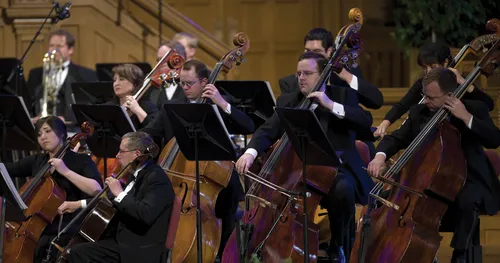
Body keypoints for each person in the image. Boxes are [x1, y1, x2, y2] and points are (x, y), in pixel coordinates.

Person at [236, 51, 373, 262]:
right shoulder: (289, 100)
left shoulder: (343, 96)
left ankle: (338, 245)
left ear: (324, 76)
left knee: (343, 190)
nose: (301, 78)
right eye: (299, 73)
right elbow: (267, 130)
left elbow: (364, 121)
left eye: (307, 73)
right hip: (298, 171)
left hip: (335, 170)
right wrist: (249, 153)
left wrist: (329, 105)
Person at [367, 67, 500, 263]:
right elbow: (396, 138)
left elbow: (494, 139)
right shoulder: (418, 112)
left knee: (467, 201)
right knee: (384, 201)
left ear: (449, 95)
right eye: (424, 96)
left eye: (431, 98)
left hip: (467, 178)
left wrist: (465, 117)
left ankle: (460, 255)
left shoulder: (474, 109)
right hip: (429, 181)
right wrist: (379, 156)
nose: (426, 101)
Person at [141, 59, 255, 259]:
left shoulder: (219, 101)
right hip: (179, 178)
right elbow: (150, 131)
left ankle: (224, 254)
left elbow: (248, 126)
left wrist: (221, 103)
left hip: (217, 180)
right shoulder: (172, 107)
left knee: (226, 202)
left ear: (204, 82)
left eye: (188, 83)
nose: (184, 88)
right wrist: (134, 141)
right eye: (181, 83)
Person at [4, 116, 103, 263]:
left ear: (62, 133)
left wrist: (66, 171)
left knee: (41, 246)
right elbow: (7, 169)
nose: (42, 137)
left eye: (47, 131)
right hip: (38, 225)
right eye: (39, 134)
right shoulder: (38, 160)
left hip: (66, 224)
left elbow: (97, 190)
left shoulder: (80, 160)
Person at [68, 131, 175, 263]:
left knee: (79, 253)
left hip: (138, 249)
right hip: (121, 242)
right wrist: (79, 204)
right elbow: (112, 203)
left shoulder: (156, 178)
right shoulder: (135, 173)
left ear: (136, 154)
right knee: (78, 249)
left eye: (121, 151)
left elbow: (145, 214)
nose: (117, 156)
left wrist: (120, 193)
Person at [374, 42, 494, 139]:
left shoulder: (460, 84)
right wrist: (385, 122)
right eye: (425, 67)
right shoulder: (422, 84)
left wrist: (463, 82)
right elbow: (402, 105)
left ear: (446, 62)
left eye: (433, 66)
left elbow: (489, 105)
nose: (428, 72)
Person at [279, 28, 383, 110]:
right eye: (307, 51)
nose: (311, 56)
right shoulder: (290, 83)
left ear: (329, 51)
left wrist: (348, 77)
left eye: (316, 51)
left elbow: (376, 102)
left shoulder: (344, 75)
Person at [27, 29, 98, 131]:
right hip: (41, 129)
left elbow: (89, 108)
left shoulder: (87, 75)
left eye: (59, 46)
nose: (54, 50)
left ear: (70, 50)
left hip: (71, 129)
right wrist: (34, 118)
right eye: (51, 45)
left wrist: (68, 119)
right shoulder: (35, 74)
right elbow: (28, 102)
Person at [106, 63, 158, 129]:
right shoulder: (109, 107)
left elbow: (155, 132)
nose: (116, 83)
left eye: (121, 79)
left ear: (135, 83)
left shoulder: (148, 107)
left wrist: (137, 110)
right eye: (114, 80)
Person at [149, 40, 187, 109]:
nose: (160, 64)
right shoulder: (153, 87)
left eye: (164, 59)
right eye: (158, 60)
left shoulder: (190, 86)